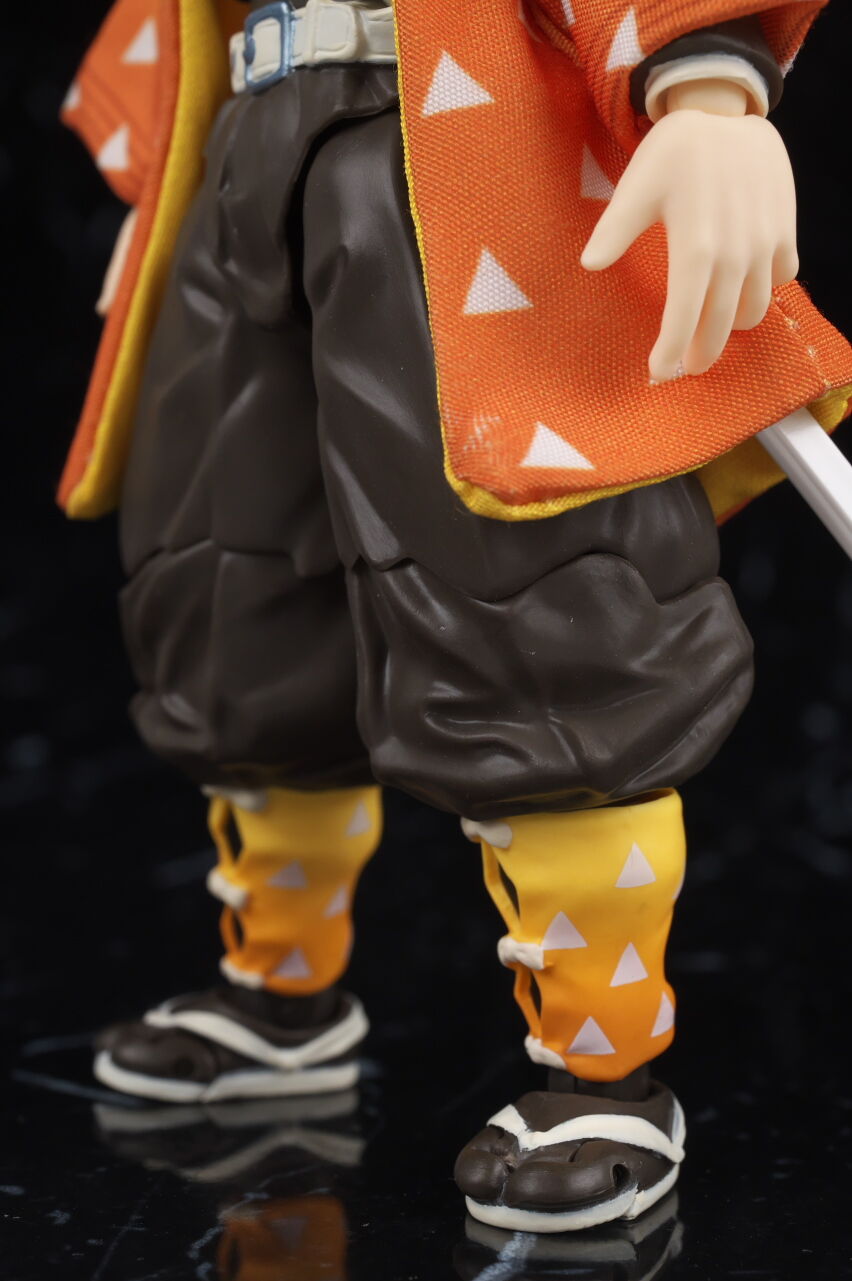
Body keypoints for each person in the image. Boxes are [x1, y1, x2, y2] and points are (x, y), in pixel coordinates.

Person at [61, 0, 851, 1231]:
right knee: (232, 589)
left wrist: (708, 88)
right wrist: (164, 183)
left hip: (454, 157)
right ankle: (279, 994)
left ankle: (603, 1075)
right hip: (242, 167)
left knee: (534, 610)